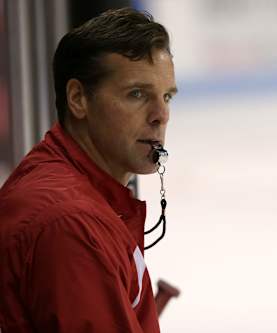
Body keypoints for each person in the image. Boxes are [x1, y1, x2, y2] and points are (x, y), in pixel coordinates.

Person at [0, 7, 178, 332]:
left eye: (166, 96)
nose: (160, 115)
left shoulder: (74, 189)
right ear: (78, 98)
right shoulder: (70, 224)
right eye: (137, 94)